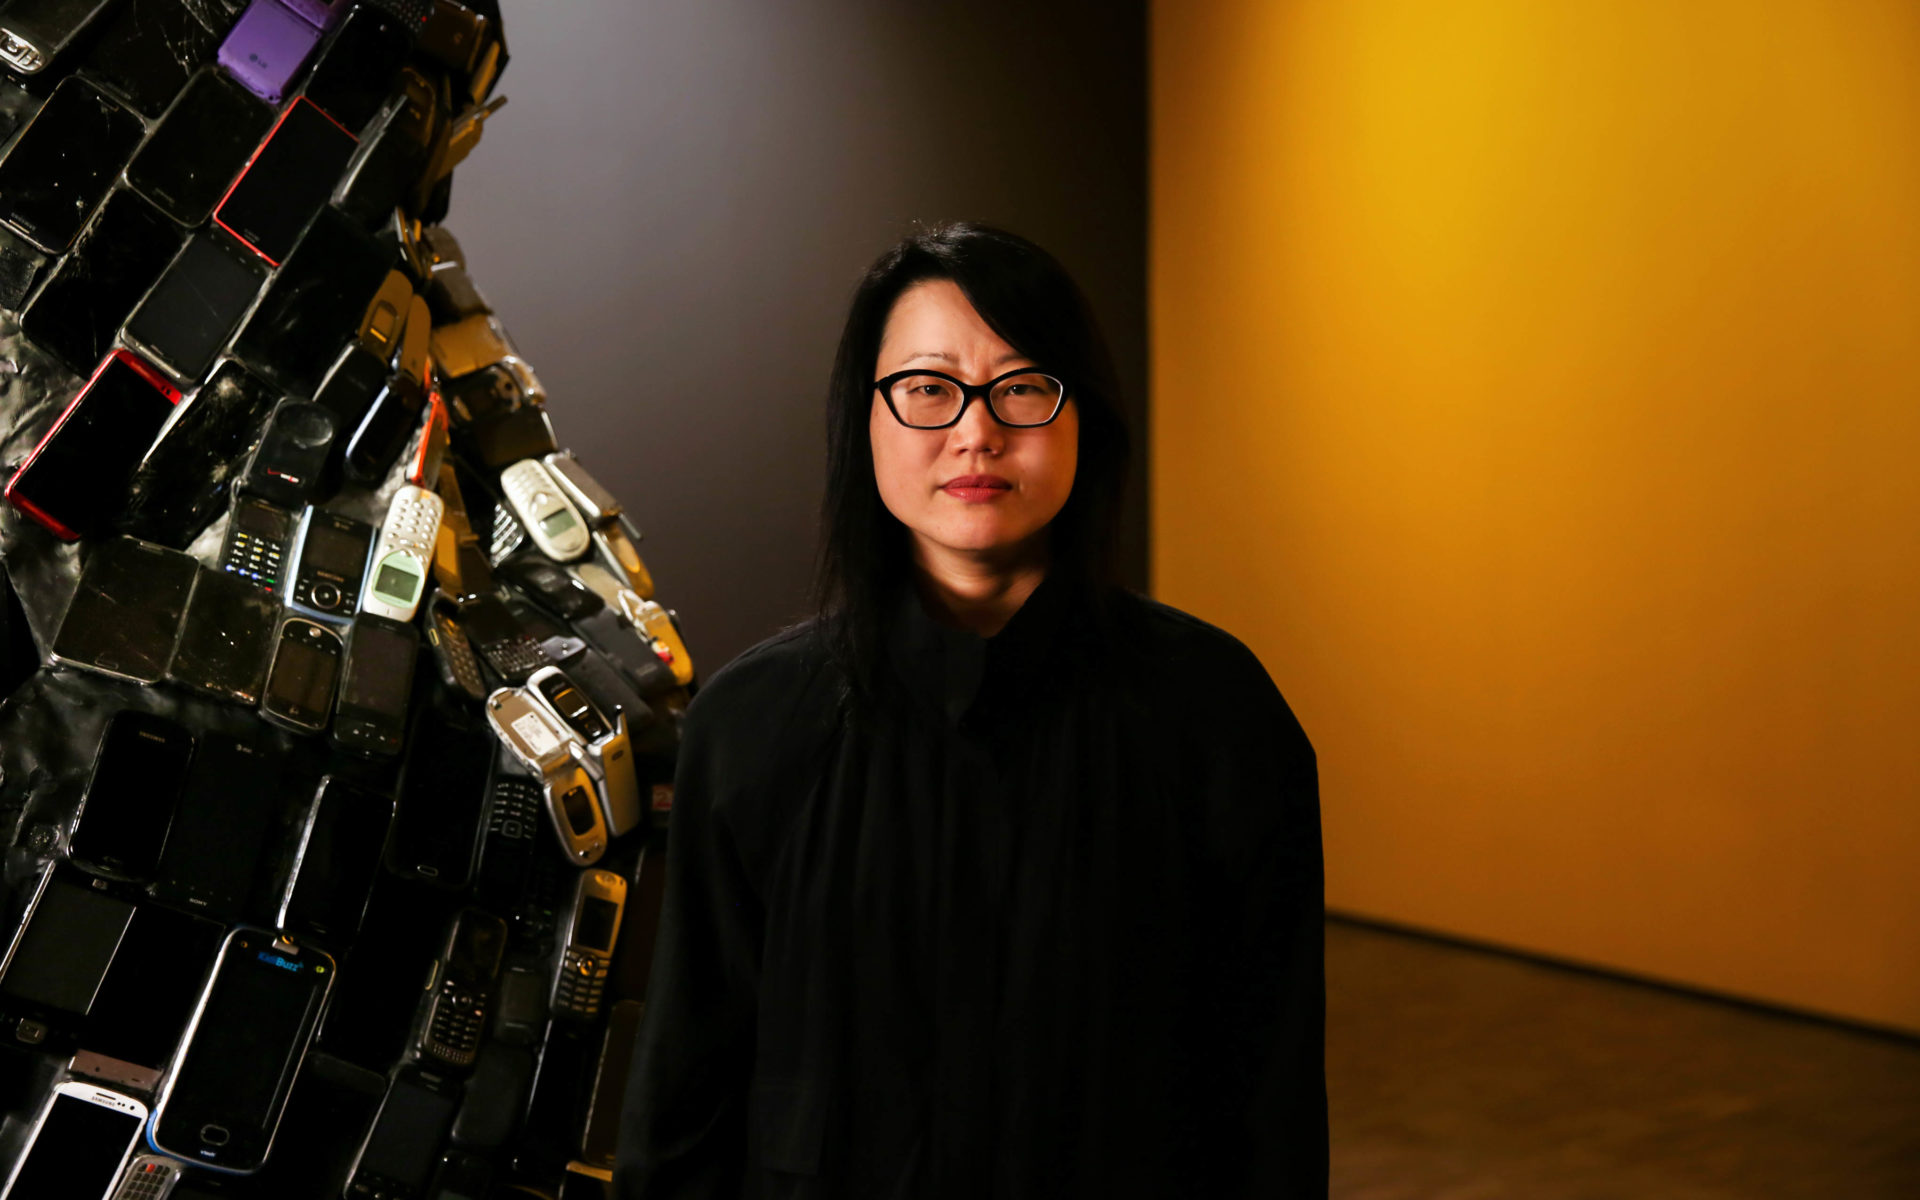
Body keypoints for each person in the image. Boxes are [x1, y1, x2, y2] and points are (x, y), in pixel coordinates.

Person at [615, 223, 1326, 1198]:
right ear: (862, 422)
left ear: (1086, 418)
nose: (976, 431)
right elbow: (687, 1094)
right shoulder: (753, 725)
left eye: (1024, 386)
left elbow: (1271, 1090)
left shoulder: (1214, 711)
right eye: (928, 388)